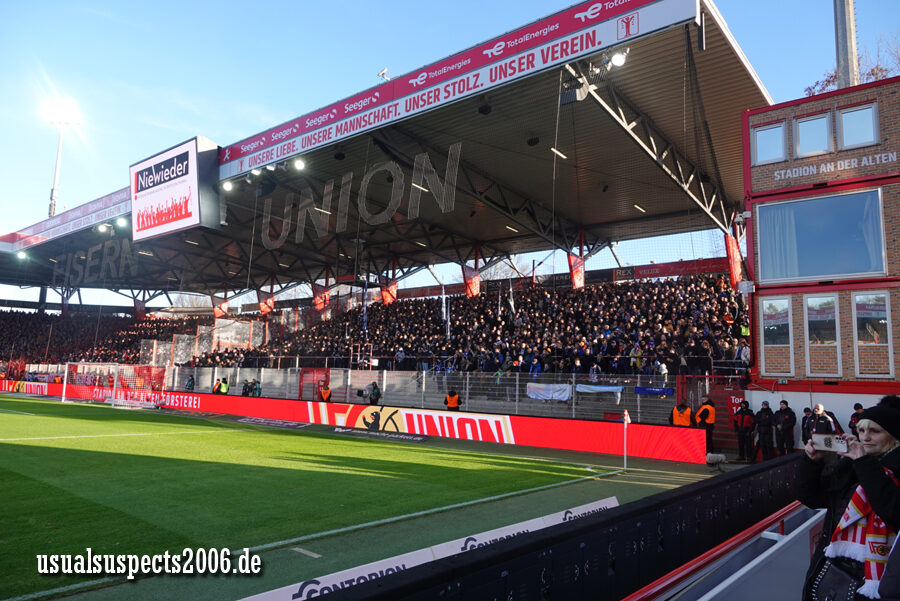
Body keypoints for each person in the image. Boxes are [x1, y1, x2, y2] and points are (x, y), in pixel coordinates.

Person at [798, 398, 900, 600]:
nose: (865, 437)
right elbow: (812, 497)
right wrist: (812, 462)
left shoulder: (867, 464)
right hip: (835, 571)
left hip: (879, 580)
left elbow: (892, 509)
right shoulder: (852, 464)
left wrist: (863, 462)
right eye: (861, 430)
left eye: (875, 431)